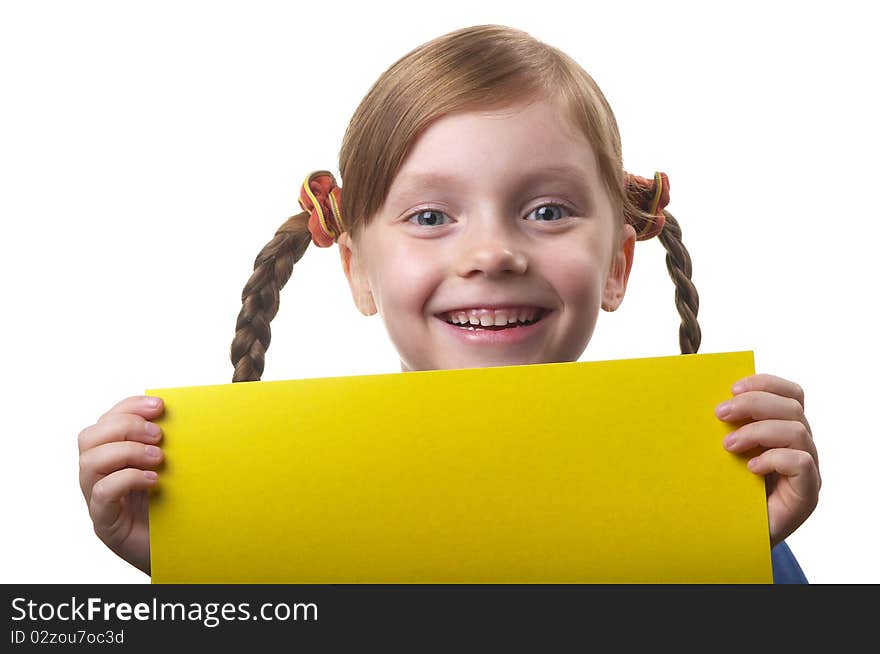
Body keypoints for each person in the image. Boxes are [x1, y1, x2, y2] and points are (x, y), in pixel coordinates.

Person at [77, 24, 820, 583]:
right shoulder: (295, 512)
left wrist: (737, 557)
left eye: (549, 210)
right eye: (432, 217)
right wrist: (190, 562)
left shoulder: (702, 502)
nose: (491, 253)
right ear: (359, 272)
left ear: (618, 265)